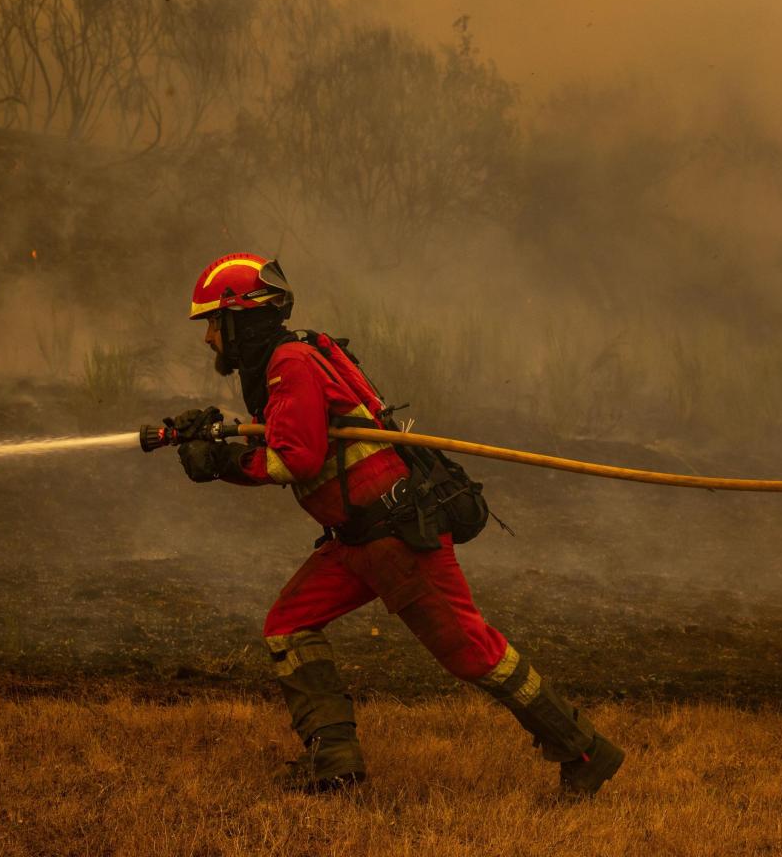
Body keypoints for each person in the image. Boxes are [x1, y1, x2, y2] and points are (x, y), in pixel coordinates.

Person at [169, 252, 625, 795]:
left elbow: (297, 460)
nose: (208, 340)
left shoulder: (288, 364)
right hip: (358, 538)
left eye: (213, 324)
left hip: (394, 537)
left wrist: (221, 462)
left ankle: (585, 750)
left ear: (241, 318)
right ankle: (334, 765)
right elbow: (290, 442)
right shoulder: (292, 359)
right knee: (288, 626)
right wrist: (218, 439)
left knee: (474, 653)